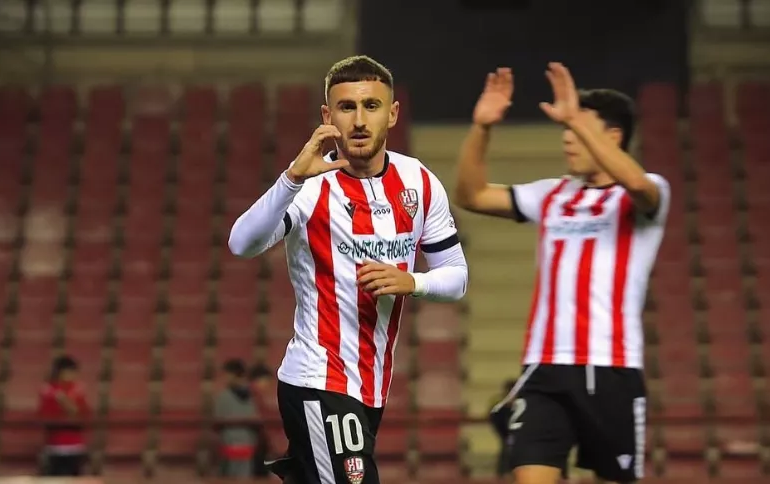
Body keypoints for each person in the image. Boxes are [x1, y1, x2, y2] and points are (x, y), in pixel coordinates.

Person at [228, 55, 468, 484]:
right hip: (318, 378)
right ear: (327, 116)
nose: (359, 120)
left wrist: (413, 281)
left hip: (371, 385)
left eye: (371, 106)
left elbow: (456, 277)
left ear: (392, 113)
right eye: (346, 107)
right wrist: (291, 177)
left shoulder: (420, 182)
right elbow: (241, 244)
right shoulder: (308, 188)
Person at [454, 63, 669, 484]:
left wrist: (573, 116)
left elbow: (639, 186)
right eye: (567, 128)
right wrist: (481, 128)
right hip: (545, 370)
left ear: (613, 137)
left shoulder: (648, 193)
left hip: (611, 368)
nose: (568, 137)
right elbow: (471, 194)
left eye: (578, 127)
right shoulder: (552, 193)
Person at [38, 355, 90, 476]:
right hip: (55, 446)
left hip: (75, 446)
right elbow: (44, 415)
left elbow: (83, 413)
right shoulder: (48, 391)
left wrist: (64, 399)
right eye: (68, 372)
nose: (71, 376)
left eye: (73, 372)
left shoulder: (78, 390)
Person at [213, 359, 261, 478]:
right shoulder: (254, 395)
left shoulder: (224, 396)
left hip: (234, 446)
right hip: (244, 446)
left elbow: (217, 421)